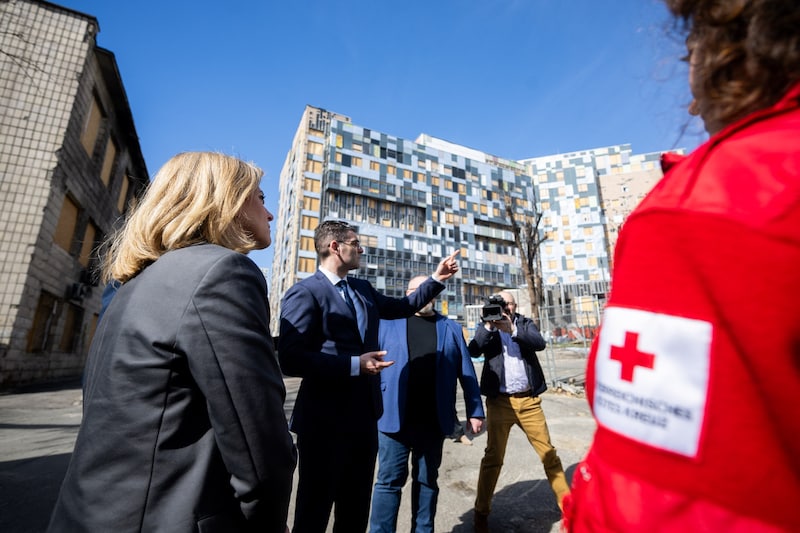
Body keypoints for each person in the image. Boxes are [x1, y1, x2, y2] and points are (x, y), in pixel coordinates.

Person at [563, 1, 800, 531]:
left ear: (732, 49)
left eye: (692, 55)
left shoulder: (703, 206)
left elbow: (652, 493)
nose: (691, 106)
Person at [47, 152, 297, 533]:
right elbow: (259, 448)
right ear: (226, 200)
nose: (270, 214)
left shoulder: (130, 284)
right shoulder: (221, 272)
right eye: (260, 198)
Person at [279, 221, 460, 533]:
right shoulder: (305, 293)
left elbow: (403, 306)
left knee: (355, 510)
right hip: (323, 424)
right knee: (314, 511)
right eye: (355, 243)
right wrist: (353, 365)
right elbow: (291, 359)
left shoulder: (361, 289)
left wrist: (436, 278)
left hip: (364, 421)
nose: (361, 249)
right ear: (335, 246)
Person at [368, 275, 485, 533]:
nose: (424, 295)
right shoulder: (386, 323)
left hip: (433, 420)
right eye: (417, 290)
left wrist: (475, 410)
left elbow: (466, 372)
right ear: (408, 293)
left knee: (427, 481)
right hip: (392, 419)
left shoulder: (451, 328)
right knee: (388, 482)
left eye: (428, 290)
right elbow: (369, 366)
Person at [469, 291, 570, 532]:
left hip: (529, 402)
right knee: (493, 458)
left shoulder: (523, 323)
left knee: (549, 455)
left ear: (514, 306)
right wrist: (490, 326)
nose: (503, 308)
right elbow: (473, 349)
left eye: (507, 304)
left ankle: (569, 508)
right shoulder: (488, 326)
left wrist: (511, 329)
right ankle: (481, 512)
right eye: (499, 304)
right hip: (499, 403)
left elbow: (539, 343)